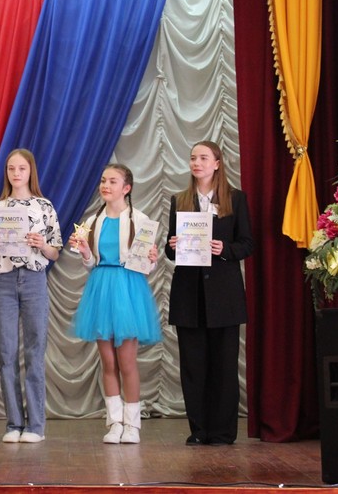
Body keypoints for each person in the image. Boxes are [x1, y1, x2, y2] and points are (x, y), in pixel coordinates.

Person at [164, 140, 253, 446]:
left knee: (224, 367)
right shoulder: (179, 200)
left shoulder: (236, 199)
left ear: (217, 164)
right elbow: (169, 250)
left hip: (224, 296)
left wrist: (224, 249)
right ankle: (199, 430)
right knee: (193, 366)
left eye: (203, 158)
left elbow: (247, 243)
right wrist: (172, 245)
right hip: (189, 295)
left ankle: (223, 432)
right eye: (193, 158)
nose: (196, 163)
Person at [70, 163, 161, 444]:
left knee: (127, 362)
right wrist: (85, 252)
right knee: (108, 362)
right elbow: (91, 264)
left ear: (126, 188)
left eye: (112, 181)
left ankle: (133, 424)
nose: (106, 185)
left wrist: (152, 259)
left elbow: (145, 267)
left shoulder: (140, 220)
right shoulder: (93, 221)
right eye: (103, 180)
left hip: (127, 289)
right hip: (100, 287)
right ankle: (115, 422)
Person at [0, 149, 62, 443]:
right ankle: (14, 424)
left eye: (21, 168)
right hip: (3, 280)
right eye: (11, 168)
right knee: (7, 352)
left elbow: (55, 252)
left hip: (34, 279)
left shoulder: (44, 206)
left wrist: (42, 244)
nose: (16, 173)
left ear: (30, 172)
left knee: (35, 351)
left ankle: (36, 426)